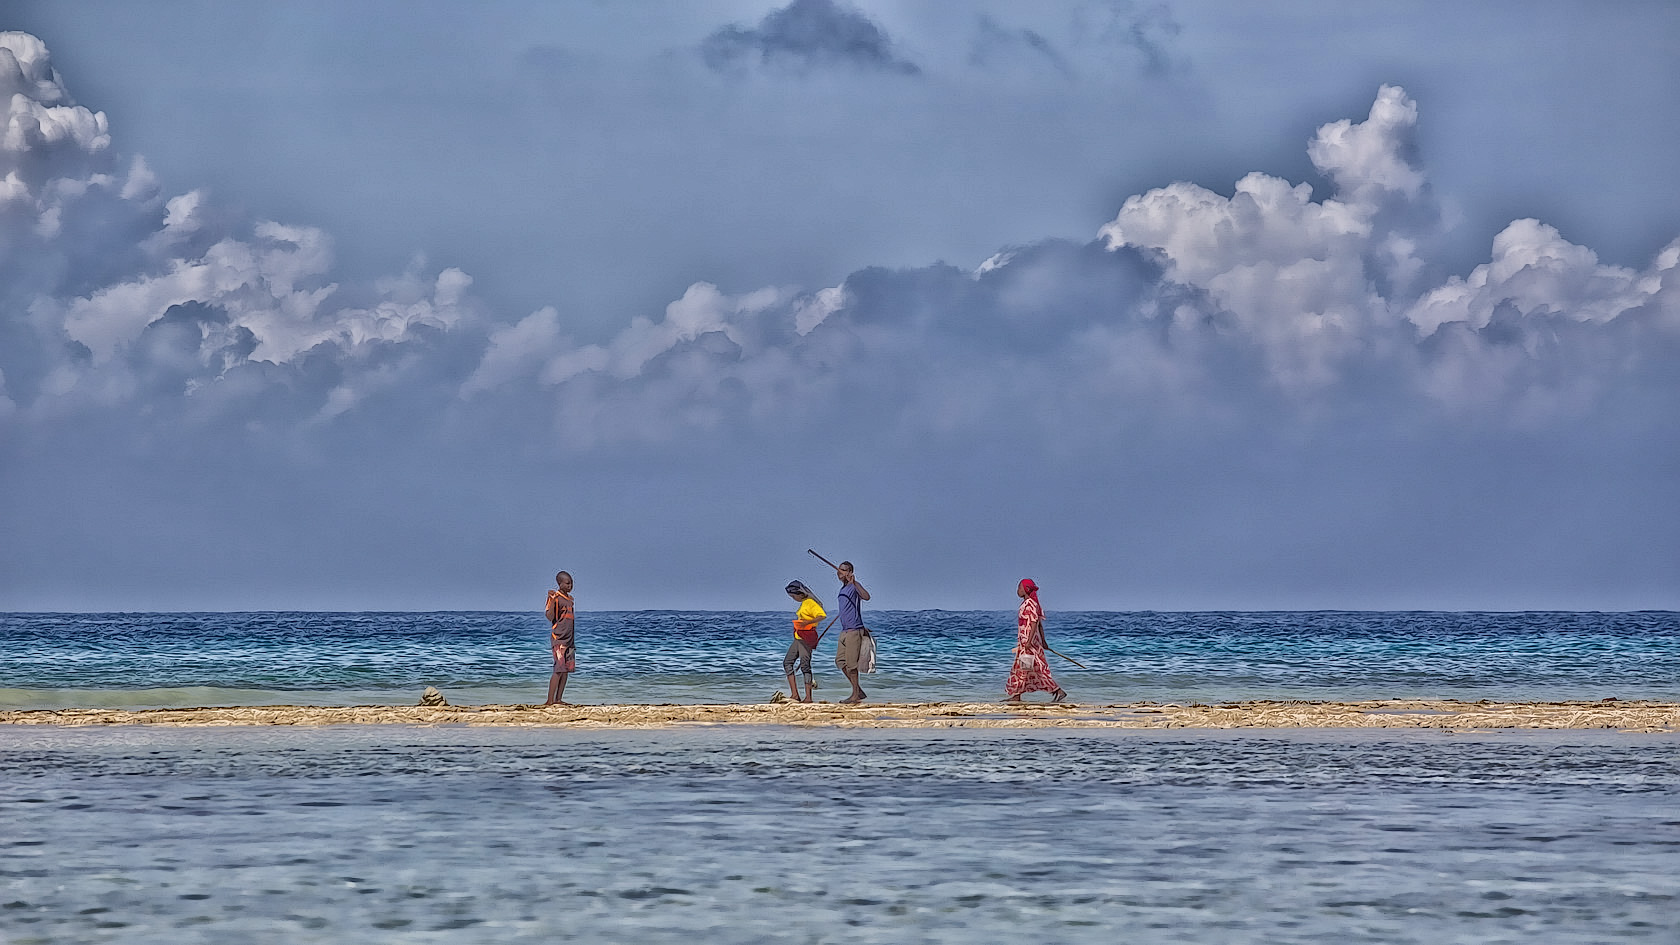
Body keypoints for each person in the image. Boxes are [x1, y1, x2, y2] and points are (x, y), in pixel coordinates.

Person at [1006, 578, 1066, 703]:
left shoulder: (1030, 604)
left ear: (1026, 590)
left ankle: (1058, 691)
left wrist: (1029, 642)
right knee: (1026, 670)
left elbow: (1034, 623)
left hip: (1029, 645)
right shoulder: (1028, 604)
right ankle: (1018, 695)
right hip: (1025, 644)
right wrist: (1043, 641)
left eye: (1019, 588)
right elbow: (1039, 625)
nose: (1018, 590)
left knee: (1023, 669)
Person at [832, 561, 872, 703]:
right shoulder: (842, 589)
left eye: (843, 570)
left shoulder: (853, 587)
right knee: (840, 661)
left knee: (851, 665)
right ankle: (858, 691)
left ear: (849, 573)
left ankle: (855, 696)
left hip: (854, 630)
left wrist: (855, 583)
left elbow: (866, 597)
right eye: (839, 569)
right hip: (845, 631)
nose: (839, 572)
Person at [782, 580, 825, 702]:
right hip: (798, 637)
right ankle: (795, 694)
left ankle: (808, 697)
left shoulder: (810, 603)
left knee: (805, 667)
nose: (793, 598)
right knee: (787, 663)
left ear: (799, 594)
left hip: (806, 638)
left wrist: (807, 622)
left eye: (793, 596)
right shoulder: (804, 603)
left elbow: (822, 616)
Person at [545, 571, 575, 705]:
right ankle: (550, 700)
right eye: (567, 583)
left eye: (571, 583)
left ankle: (559, 699)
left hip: (569, 640)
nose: (570, 586)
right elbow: (550, 616)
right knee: (558, 669)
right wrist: (551, 600)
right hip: (559, 639)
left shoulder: (570, 599)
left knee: (566, 670)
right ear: (560, 584)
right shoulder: (555, 598)